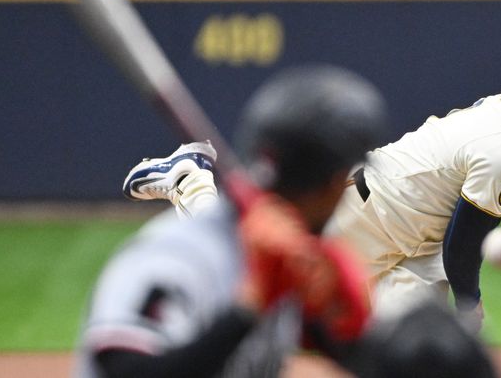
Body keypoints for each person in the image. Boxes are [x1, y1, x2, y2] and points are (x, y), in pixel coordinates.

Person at [121, 33, 501, 332]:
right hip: (370, 218)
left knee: (408, 351)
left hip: (411, 230)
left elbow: (469, 168)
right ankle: (189, 178)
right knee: (249, 274)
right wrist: (471, 305)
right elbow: (462, 244)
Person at [76, 63, 394, 378]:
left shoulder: (286, 253)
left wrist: (343, 323)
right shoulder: (176, 254)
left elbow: (363, 360)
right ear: (334, 184)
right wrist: (248, 308)